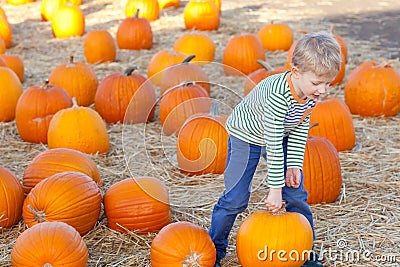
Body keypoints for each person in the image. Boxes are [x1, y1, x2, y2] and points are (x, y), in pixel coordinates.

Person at [208, 31, 342, 267]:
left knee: (296, 193)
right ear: (296, 72)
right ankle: (215, 248)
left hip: (281, 133)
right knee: (235, 199)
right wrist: (274, 189)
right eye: (317, 83)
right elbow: (272, 141)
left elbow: (300, 130)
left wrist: (294, 165)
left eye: (327, 83)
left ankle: (305, 253)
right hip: (246, 136)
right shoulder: (277, 95)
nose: (322, 90)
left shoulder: (310, 94)